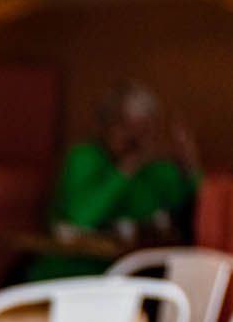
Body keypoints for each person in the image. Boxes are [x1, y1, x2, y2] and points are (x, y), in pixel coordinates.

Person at [28, 81, 201, 280]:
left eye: (144, 126)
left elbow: (193, 215)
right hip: (72, 274)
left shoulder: (158, 169)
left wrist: (189, 167)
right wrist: (125, 169)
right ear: (102, 125)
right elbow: (77, 219)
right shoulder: (82, 158)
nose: (135, 137)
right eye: (124, 125)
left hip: (138, 276)